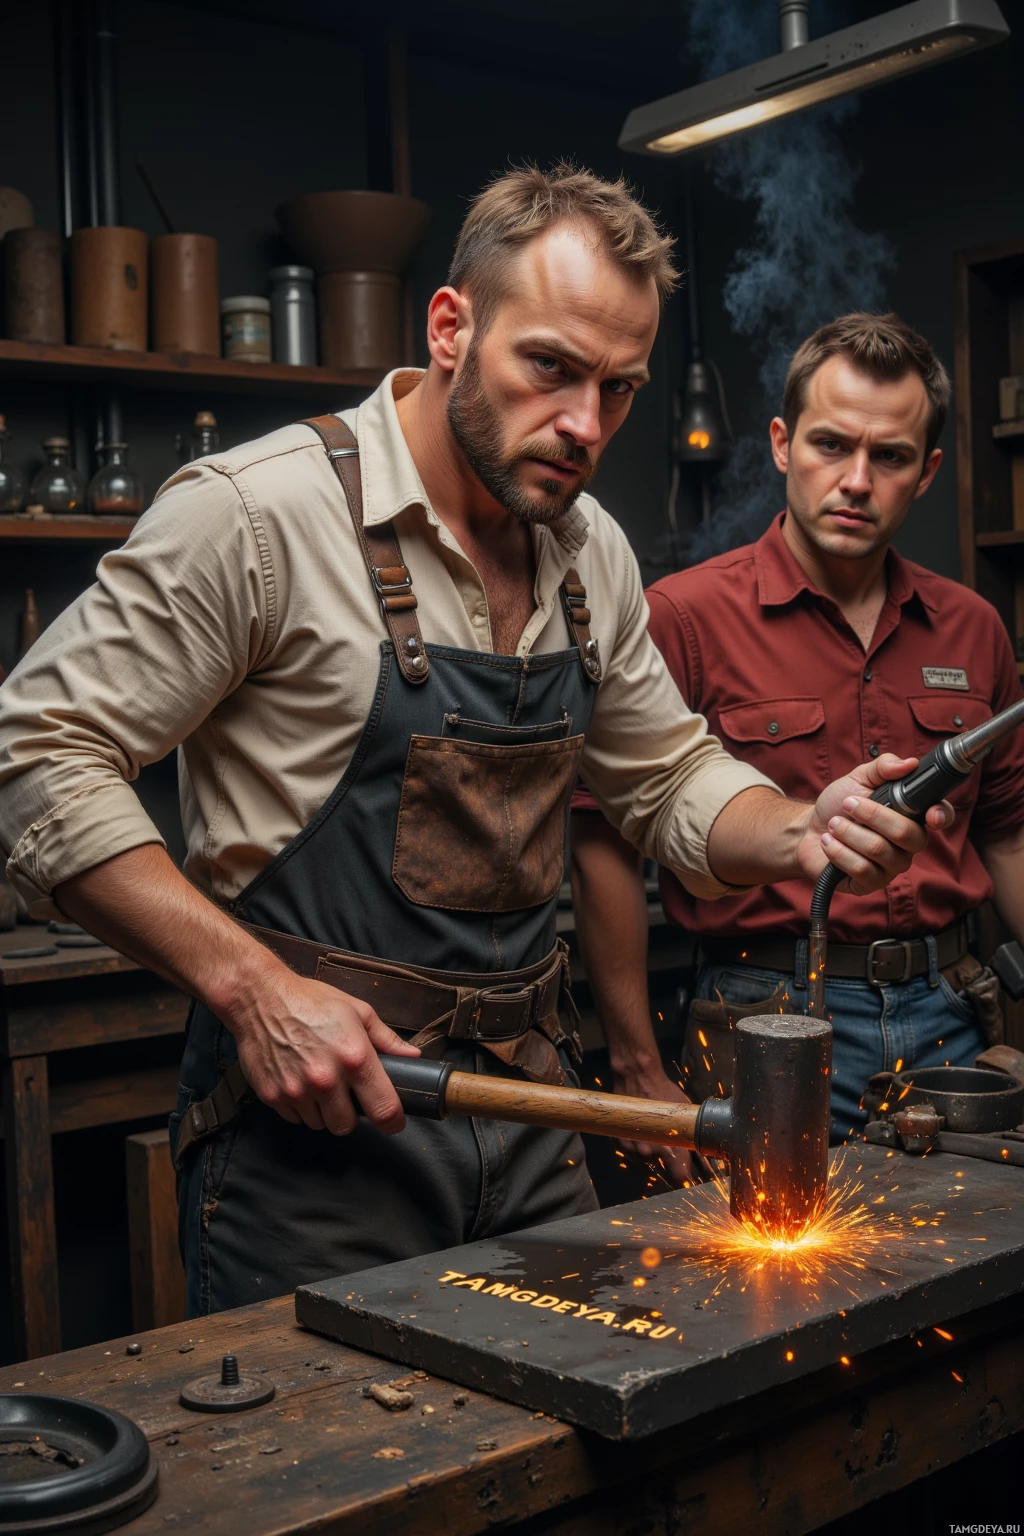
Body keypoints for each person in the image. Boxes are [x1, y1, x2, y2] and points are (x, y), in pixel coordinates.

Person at [0, 175, 941, 1315]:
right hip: (318, 1140)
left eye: (619, 388)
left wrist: (800, 829)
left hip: (531, 1119)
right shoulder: (257, 515)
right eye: (549, 367)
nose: (585, 424)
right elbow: (35, 754)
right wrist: (253, 991)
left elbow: (669, 777)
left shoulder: (586, 550)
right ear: (450, 328)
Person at [571, 312, 1024, 1152]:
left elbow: (1009, 837)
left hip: (952, 1015)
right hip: (764, 1013)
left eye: (890, 457)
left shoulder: (973, 626)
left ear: (926, 472)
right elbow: (604, 844)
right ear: (783, 444)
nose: (856, 480)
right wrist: (637, 1068)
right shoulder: (683, 617)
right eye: (830, 445)